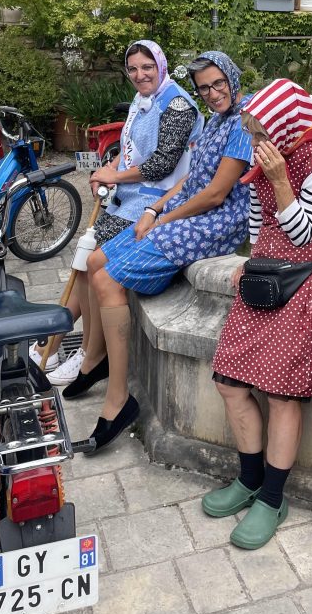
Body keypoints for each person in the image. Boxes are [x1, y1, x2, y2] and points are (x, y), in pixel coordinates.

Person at [64, 51, 253, 453]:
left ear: (232, 79)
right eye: (204, 88)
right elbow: (190, 180)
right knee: (95, 260)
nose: (212, 93)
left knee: (107, 278)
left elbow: (215, 194)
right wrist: (153, 209)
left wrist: (164, 219)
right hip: (186, 209)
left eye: (218, 84)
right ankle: (95, 360)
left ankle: (118, 399)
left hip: (215, 222)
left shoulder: (244, 121)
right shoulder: (216, 119)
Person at [202, 79, 312, 551]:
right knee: (229, 381)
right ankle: (248, 478)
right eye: (251, 130)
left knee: (283, 396)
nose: (255, 139)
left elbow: (303, 235)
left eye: (261, 130)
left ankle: (272, 497)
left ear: (286, 124)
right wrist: (251, 259)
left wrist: (282, 180)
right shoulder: (267, 158)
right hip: (267, 275)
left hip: (307, 284)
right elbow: (259, 221)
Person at [33, 40, 203, 384]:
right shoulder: (142, 100)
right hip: (129, 195)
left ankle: (88, 354)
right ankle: (52, 343)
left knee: (92, 261)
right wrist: (106, 170)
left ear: (161, 66)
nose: (140, 75)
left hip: (156, 200)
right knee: (82, 261)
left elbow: (161, 164)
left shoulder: (177, 105)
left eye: (147, 67)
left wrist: (114, 177)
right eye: (133, 69)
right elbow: (129, 151)